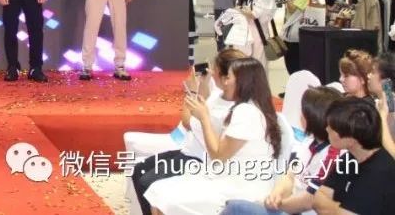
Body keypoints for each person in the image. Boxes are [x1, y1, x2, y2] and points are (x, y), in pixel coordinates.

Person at [144, 58, 282, 215]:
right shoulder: (243, 107)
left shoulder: (247, 112)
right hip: (224, 176)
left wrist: (204, 119)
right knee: (157, 191)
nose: (224, 81)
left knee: (163, 197)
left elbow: (218, 156)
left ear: (244, 82)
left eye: (228, 77)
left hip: (239, 186)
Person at [130, 48, 246, 215]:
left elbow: (187, 121)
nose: (211, 72)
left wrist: (191, 91)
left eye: (215, 69)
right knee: (138, 170)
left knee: (146, 182)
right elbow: (199, 108)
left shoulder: (235, 108)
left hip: (200, 160)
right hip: (189, 151)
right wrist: (202, 86)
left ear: (225, 77)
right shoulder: (219, 95)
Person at [219, 86, 342, 215]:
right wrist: (276, 194)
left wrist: (279, 205)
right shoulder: (308, 143)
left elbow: (309, 201)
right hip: (288, 207)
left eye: (303, 112)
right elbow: (290, 177)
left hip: (298, 210)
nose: (300, 115)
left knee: (236, 208)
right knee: (235, 205)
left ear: (314, 118)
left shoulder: (334, 155)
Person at [312, 97, 395, 215]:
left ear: (350, 138)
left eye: (332, 127)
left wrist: (334, 209)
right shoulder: (348, 159)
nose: (327, 129)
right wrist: (338, 210)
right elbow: (318, 200)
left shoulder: (380, 172)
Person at [237, 0, 276, 64]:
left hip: (260, 33)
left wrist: (241, 10)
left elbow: (253, 14)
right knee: (250, 62)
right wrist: (243, 10)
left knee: (259, 63)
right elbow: (249, 12)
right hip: (250, 31)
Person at [281, 0, 313, 74]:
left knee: (295, 66)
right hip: (289, 34)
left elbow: (291, 9)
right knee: (290, 64)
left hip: (297, 36)